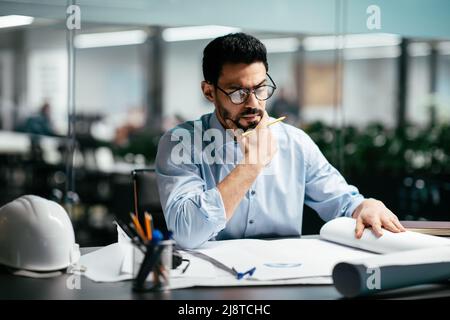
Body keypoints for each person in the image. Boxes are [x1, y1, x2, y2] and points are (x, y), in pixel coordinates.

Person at [155, 33, 405, 249]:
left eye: (260, 88)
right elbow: (186, 232)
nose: (253, 103)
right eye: (238, 92)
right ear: (209, 92)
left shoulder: (295, 142)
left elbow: (343, 201)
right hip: (208, 284)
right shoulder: (181, 143)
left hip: (283, 277)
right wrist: (251, 166)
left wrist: (366, 205)